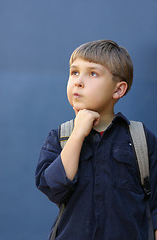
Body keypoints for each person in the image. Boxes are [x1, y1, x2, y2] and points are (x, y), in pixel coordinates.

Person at [35, 40, 157, 240]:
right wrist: (77, 134)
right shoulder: (60, 137)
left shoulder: (141, 139)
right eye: (74, 72)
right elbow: (53, 188)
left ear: (118, 90)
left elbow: (156, 208)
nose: (78, 81)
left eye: (93, 73)